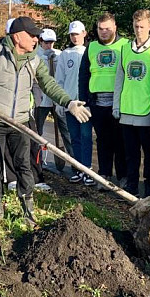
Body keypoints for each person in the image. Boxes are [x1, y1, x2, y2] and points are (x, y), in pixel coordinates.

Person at [0, 16, 91, 226]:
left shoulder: (34, 59)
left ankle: (27, 212)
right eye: (32, 35)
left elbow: (49, 84)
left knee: (24, 166)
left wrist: (69, 103)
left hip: (20, 122)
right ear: (18, 36)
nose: (36, 39)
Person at [113, 9, 150, 197]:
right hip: (127, 109)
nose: (139, 30)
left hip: (147, 111)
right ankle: (132, 185)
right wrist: (116, 105)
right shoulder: (125, 48)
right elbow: (119, 78)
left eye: (142, 26)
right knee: (130, 154)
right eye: (136, 26)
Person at [79, 12, 129, 188]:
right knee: (102, 141)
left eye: (107, 28)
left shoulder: (125, 45)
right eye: (100, 29)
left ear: (114, 27)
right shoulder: (91, 47)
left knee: (120, 142)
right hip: (97, 103)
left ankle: (123, 177)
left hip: (118, 102)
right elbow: (83, 75)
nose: (104, 32)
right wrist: (83, 101)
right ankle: (104, 175)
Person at [56, 21, 94, 184]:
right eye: (72, 34)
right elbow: (60, 80)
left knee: (86, 136)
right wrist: (60, 103)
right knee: (75, 137)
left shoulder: (90, 51)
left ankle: (87, 169)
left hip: (85, 103)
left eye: (77, 34)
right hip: (70, 103)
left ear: (84, 33)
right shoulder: (65, 54)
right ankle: (78, 169)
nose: (75, 37)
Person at [34, 29, 74, 173]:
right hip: (41, 100)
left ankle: (75, 164)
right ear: (40, 41)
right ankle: (36, 162)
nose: (49, 45)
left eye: (51, 42)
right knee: (36, 131)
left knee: (66, 131)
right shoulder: (35, 56)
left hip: (57, 99)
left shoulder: (59, 55)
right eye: (46, 42)